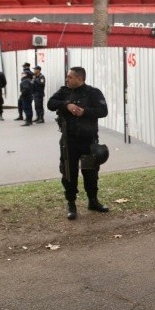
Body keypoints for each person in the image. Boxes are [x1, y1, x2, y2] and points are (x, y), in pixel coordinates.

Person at [47, 66, 110, 220]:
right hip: (69, 142)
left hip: (88, 141)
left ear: (80, 79)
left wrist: (85, 111)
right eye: (67, 77)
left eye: (70, 77)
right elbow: (50, 103)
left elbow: (103, 111)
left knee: (90, 172)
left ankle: (93, 201)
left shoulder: (93, 92)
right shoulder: (64, 92)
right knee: (69, 172)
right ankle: (71, 204)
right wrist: (66, 105)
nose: (67, 79)